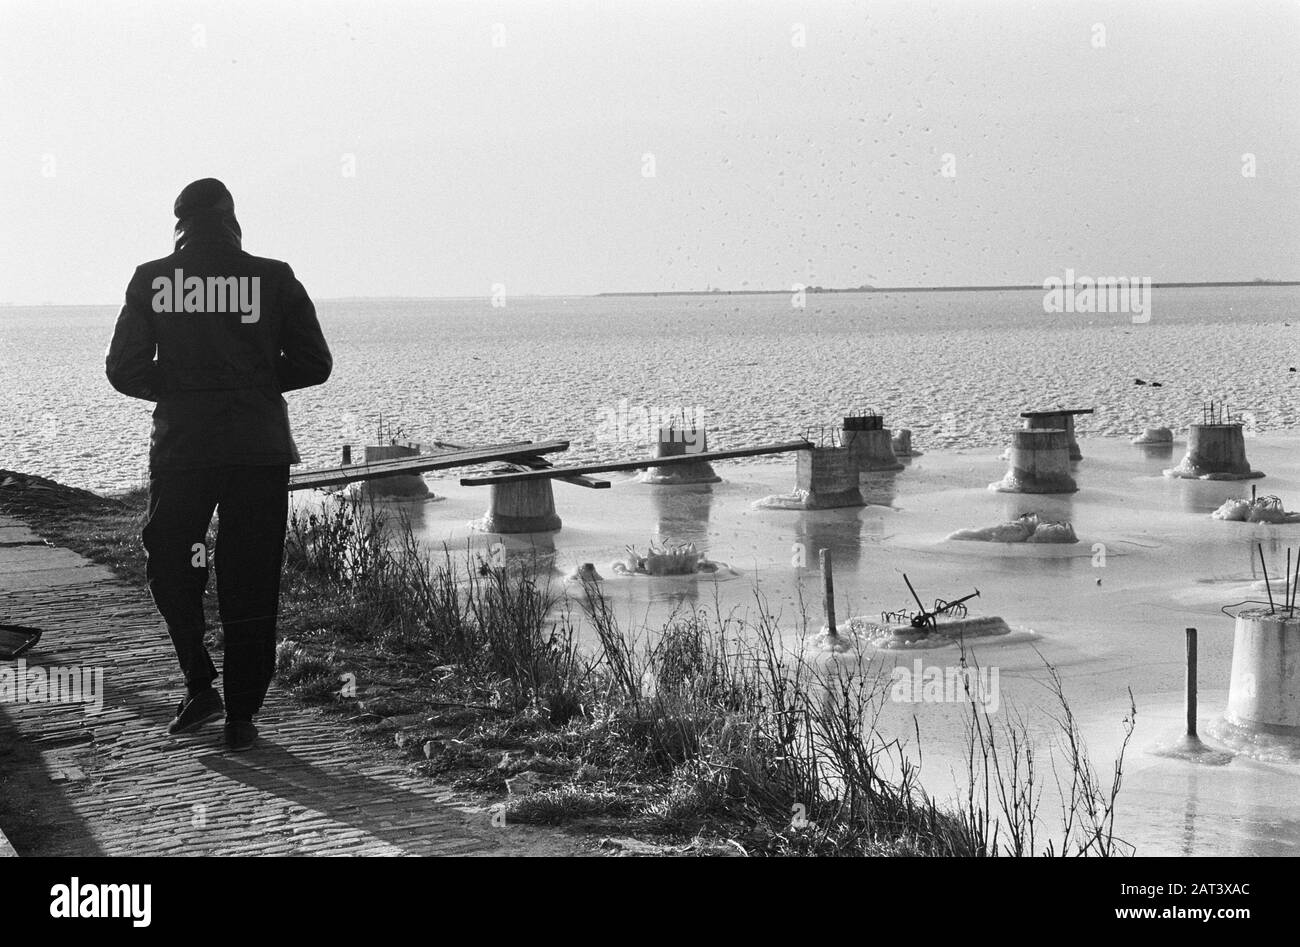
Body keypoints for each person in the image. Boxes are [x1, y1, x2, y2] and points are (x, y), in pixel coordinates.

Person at [106, 178, 332, 751]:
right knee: (251, 579)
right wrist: (253, 383)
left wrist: (183, 389)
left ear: (179, 225)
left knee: (170, 560)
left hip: (185, 447)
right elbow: (314, 362)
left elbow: (124, 369)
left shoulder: (155, 279)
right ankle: (242, 718)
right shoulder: (274, 277)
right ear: (233, 221)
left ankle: (199, 681)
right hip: (258, 449)